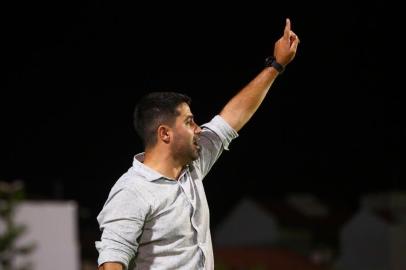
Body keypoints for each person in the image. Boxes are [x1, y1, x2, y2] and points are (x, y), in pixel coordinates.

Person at [95, 18, 300, 270]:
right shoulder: (132, 191)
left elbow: (231, 119)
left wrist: (276, 65)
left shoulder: (192, 166)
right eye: (190, 122)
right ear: (165, 134)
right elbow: (111, 261)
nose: (198, 129)